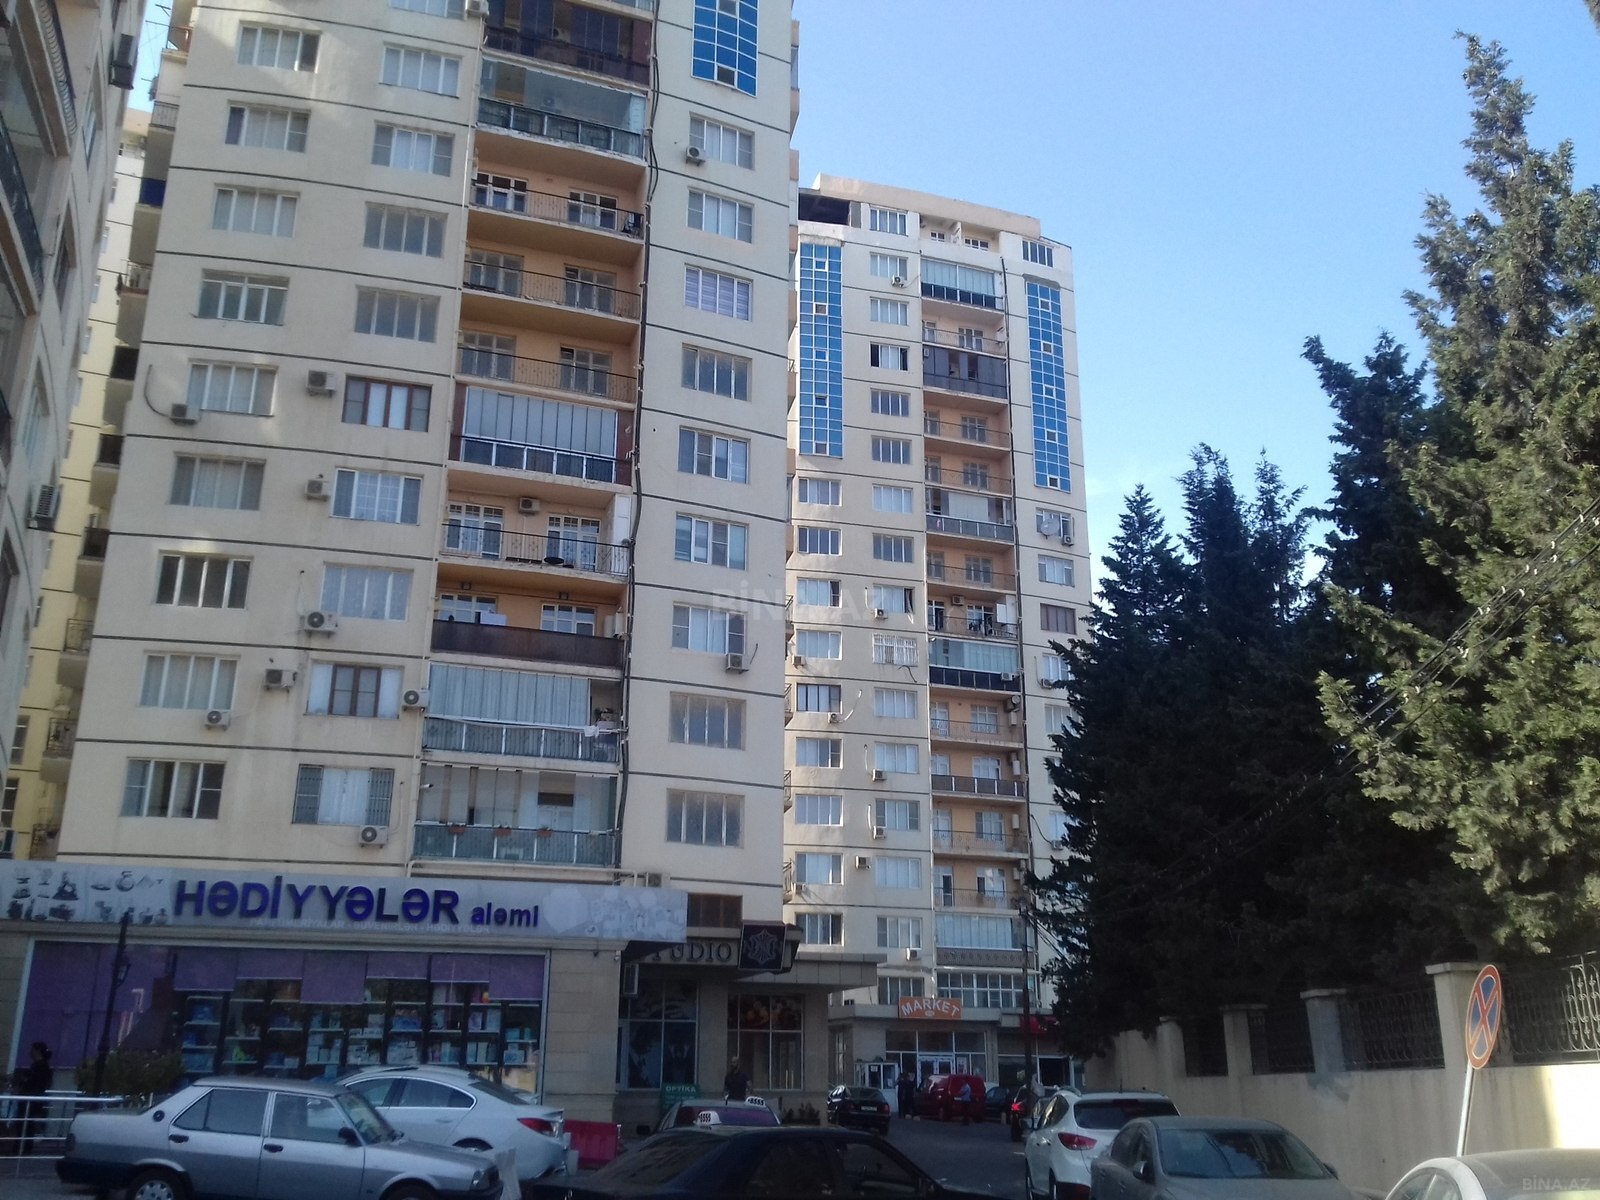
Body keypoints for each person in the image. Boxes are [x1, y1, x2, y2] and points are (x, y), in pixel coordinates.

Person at [14, 1043, 51, 1156]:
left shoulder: (41, 1066)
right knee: (26, 1123)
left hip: (31, 1099)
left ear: (37, 1051)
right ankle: (23, 1147)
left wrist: (24, 1082)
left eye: (32, 1049)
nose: (30, 1052)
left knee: (25, 1123)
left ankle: (23, 1148)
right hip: (31, 1098)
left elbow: (34, 1082)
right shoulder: (39, 1065)